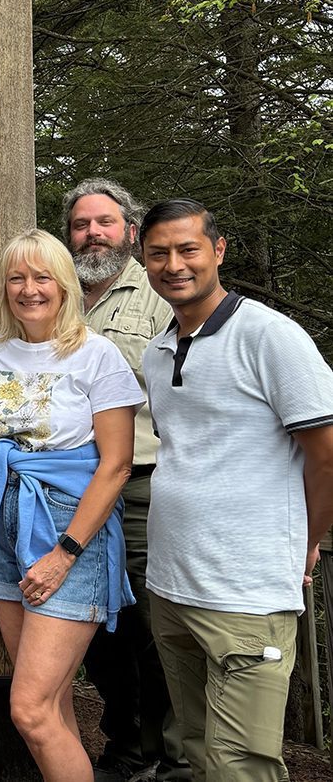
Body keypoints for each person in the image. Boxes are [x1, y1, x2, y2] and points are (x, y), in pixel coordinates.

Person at [140, 199, 333, 781]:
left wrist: (307, 538)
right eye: (158, 253)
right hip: (171, 586)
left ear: (217, 251)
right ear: (143, 261)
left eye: (188, 249)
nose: (174, 264)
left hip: (245, 592)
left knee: (240, 768)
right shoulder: (158, 351)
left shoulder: (271, 337)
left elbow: (326, 455)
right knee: (196, 752)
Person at [0, 228, 142, 782]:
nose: (29, 289)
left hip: (69, 523)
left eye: (42, 276)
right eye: (17, 277)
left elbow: (116, 465)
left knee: (29, 709)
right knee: (54, 703)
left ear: (64, 284)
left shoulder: (97, 353)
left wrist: (65, 552)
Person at [63, 178, 188, 782]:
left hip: (139, 483)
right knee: (99, 622)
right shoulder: (57, 297)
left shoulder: (161, 298)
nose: (93, 234)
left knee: (149, 620)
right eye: (83, 225)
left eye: (105, 223)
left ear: (129, 232)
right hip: (71, 487)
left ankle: (167, 753)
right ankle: (124, 745)